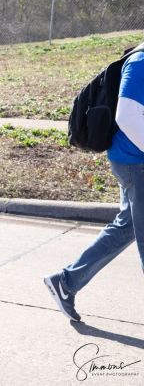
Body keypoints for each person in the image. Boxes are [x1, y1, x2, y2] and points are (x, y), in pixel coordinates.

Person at [44, 43, 144, 322]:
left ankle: (66, 283)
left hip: (134, 160)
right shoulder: (141, 62)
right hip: (135, 162)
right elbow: (126, 115)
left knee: (126, 226)